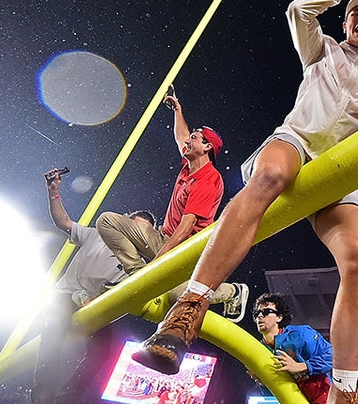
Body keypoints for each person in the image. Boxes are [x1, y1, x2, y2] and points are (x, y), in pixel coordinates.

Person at [132, 0, 358, 404]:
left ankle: (341, 400)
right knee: (272, 174)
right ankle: (188, 312)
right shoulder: (323, 50)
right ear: (345, 23)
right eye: (356, 13)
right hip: (295, 143)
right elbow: (299, 9)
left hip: (340, 167)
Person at [95, 90, 248, 322]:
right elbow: (181, 135)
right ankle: (136, 274)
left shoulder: (209, 179)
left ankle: (233, 291)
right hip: (164, 236)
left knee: (178, 293)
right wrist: (178, 109)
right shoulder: (189, 164)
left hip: (184, 250)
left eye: (195, 139)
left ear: (207, 147)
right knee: (106, 220)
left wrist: (156, 265)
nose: (188, 141)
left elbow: (186, 228)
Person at [29, 167, 131, 404]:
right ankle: (41, 401)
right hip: (67, 295)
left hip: (96, 307)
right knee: (51, 330)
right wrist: (54, 193)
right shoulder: (97, 234)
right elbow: (64, 222)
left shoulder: (137, 261)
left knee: (102, 355)